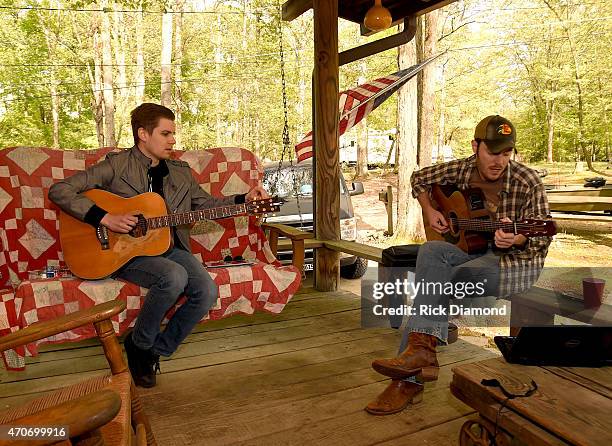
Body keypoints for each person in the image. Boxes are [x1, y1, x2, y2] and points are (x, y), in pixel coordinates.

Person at [49, 103, 269, 387]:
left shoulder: (180, 171)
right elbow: (60, 190)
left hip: (170, 246)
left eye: (173, 134)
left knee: (206, 291)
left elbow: (205, 205)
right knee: (173, 276)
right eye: (165, 134)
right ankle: (141, 347)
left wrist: (244, 200)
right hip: (122, 252)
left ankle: (150, 349)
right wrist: (105, 218)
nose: (173, 140)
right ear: (143, 134)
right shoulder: (116, 165)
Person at [365, 115, 552, 415]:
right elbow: (419, 178)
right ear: (475, 146)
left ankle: (409, 377)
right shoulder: (462, 168)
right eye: (493, 152)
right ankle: (420, 354)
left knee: (441, 283)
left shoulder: (526, 181)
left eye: (507, 153)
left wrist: (517, 239)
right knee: (431, 251)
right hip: (473, 251)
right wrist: (429, 209)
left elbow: (542, 236)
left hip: (516, 263)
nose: (500, 161)